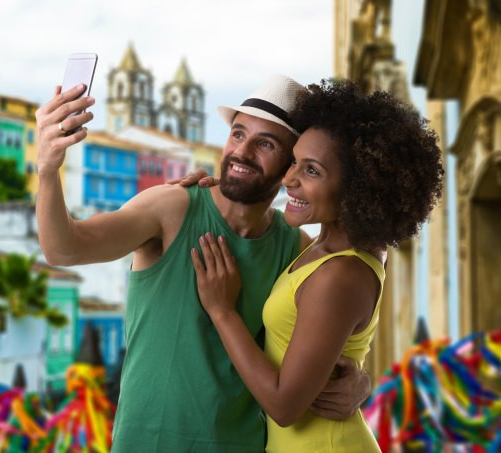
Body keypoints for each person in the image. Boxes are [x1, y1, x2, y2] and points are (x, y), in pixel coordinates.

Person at [35, 74, 372, 452]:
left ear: (291, 164)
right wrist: (48, 170)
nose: (242, 152)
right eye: (238, 134)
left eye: (265, 144)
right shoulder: (170, 208)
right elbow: (64, 250)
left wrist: (360, 380)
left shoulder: (297, 248)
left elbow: (323, 344)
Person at [191, 80, 444, 452]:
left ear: (358, 189)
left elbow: (284, 405)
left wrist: (221, 311)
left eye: (312, 171)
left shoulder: (340, 275)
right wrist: (221, 187)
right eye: (294, 161)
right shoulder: (325, 248)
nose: (290, 179)